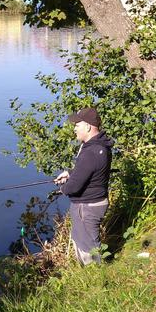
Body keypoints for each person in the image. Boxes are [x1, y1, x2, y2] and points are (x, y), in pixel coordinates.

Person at [54, 107, 113, 265]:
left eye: (77, 125)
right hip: (95, 202)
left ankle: (97, 277)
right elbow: (89, 170)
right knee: (89, 243)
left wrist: (63, 188)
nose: (74, 128)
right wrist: (70, 172)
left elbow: (73, 187)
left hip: (87, 207)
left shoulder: (90, 152)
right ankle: (98, 274)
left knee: (87, 247)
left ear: (87, 127)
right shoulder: (101, 146)